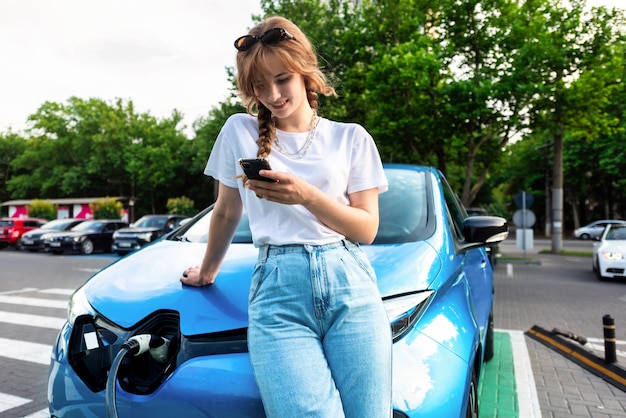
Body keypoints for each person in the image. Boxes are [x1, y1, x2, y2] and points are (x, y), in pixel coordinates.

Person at [181, 15, 392, 418]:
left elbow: (366, 229)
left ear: (305, 71)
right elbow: (227, 211)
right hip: (278, 292)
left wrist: (306, 195)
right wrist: (208, 270)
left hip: (350, 280)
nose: (273, 95)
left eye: (282, 80)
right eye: (259, 86)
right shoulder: (238, 131)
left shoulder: (351, 137)